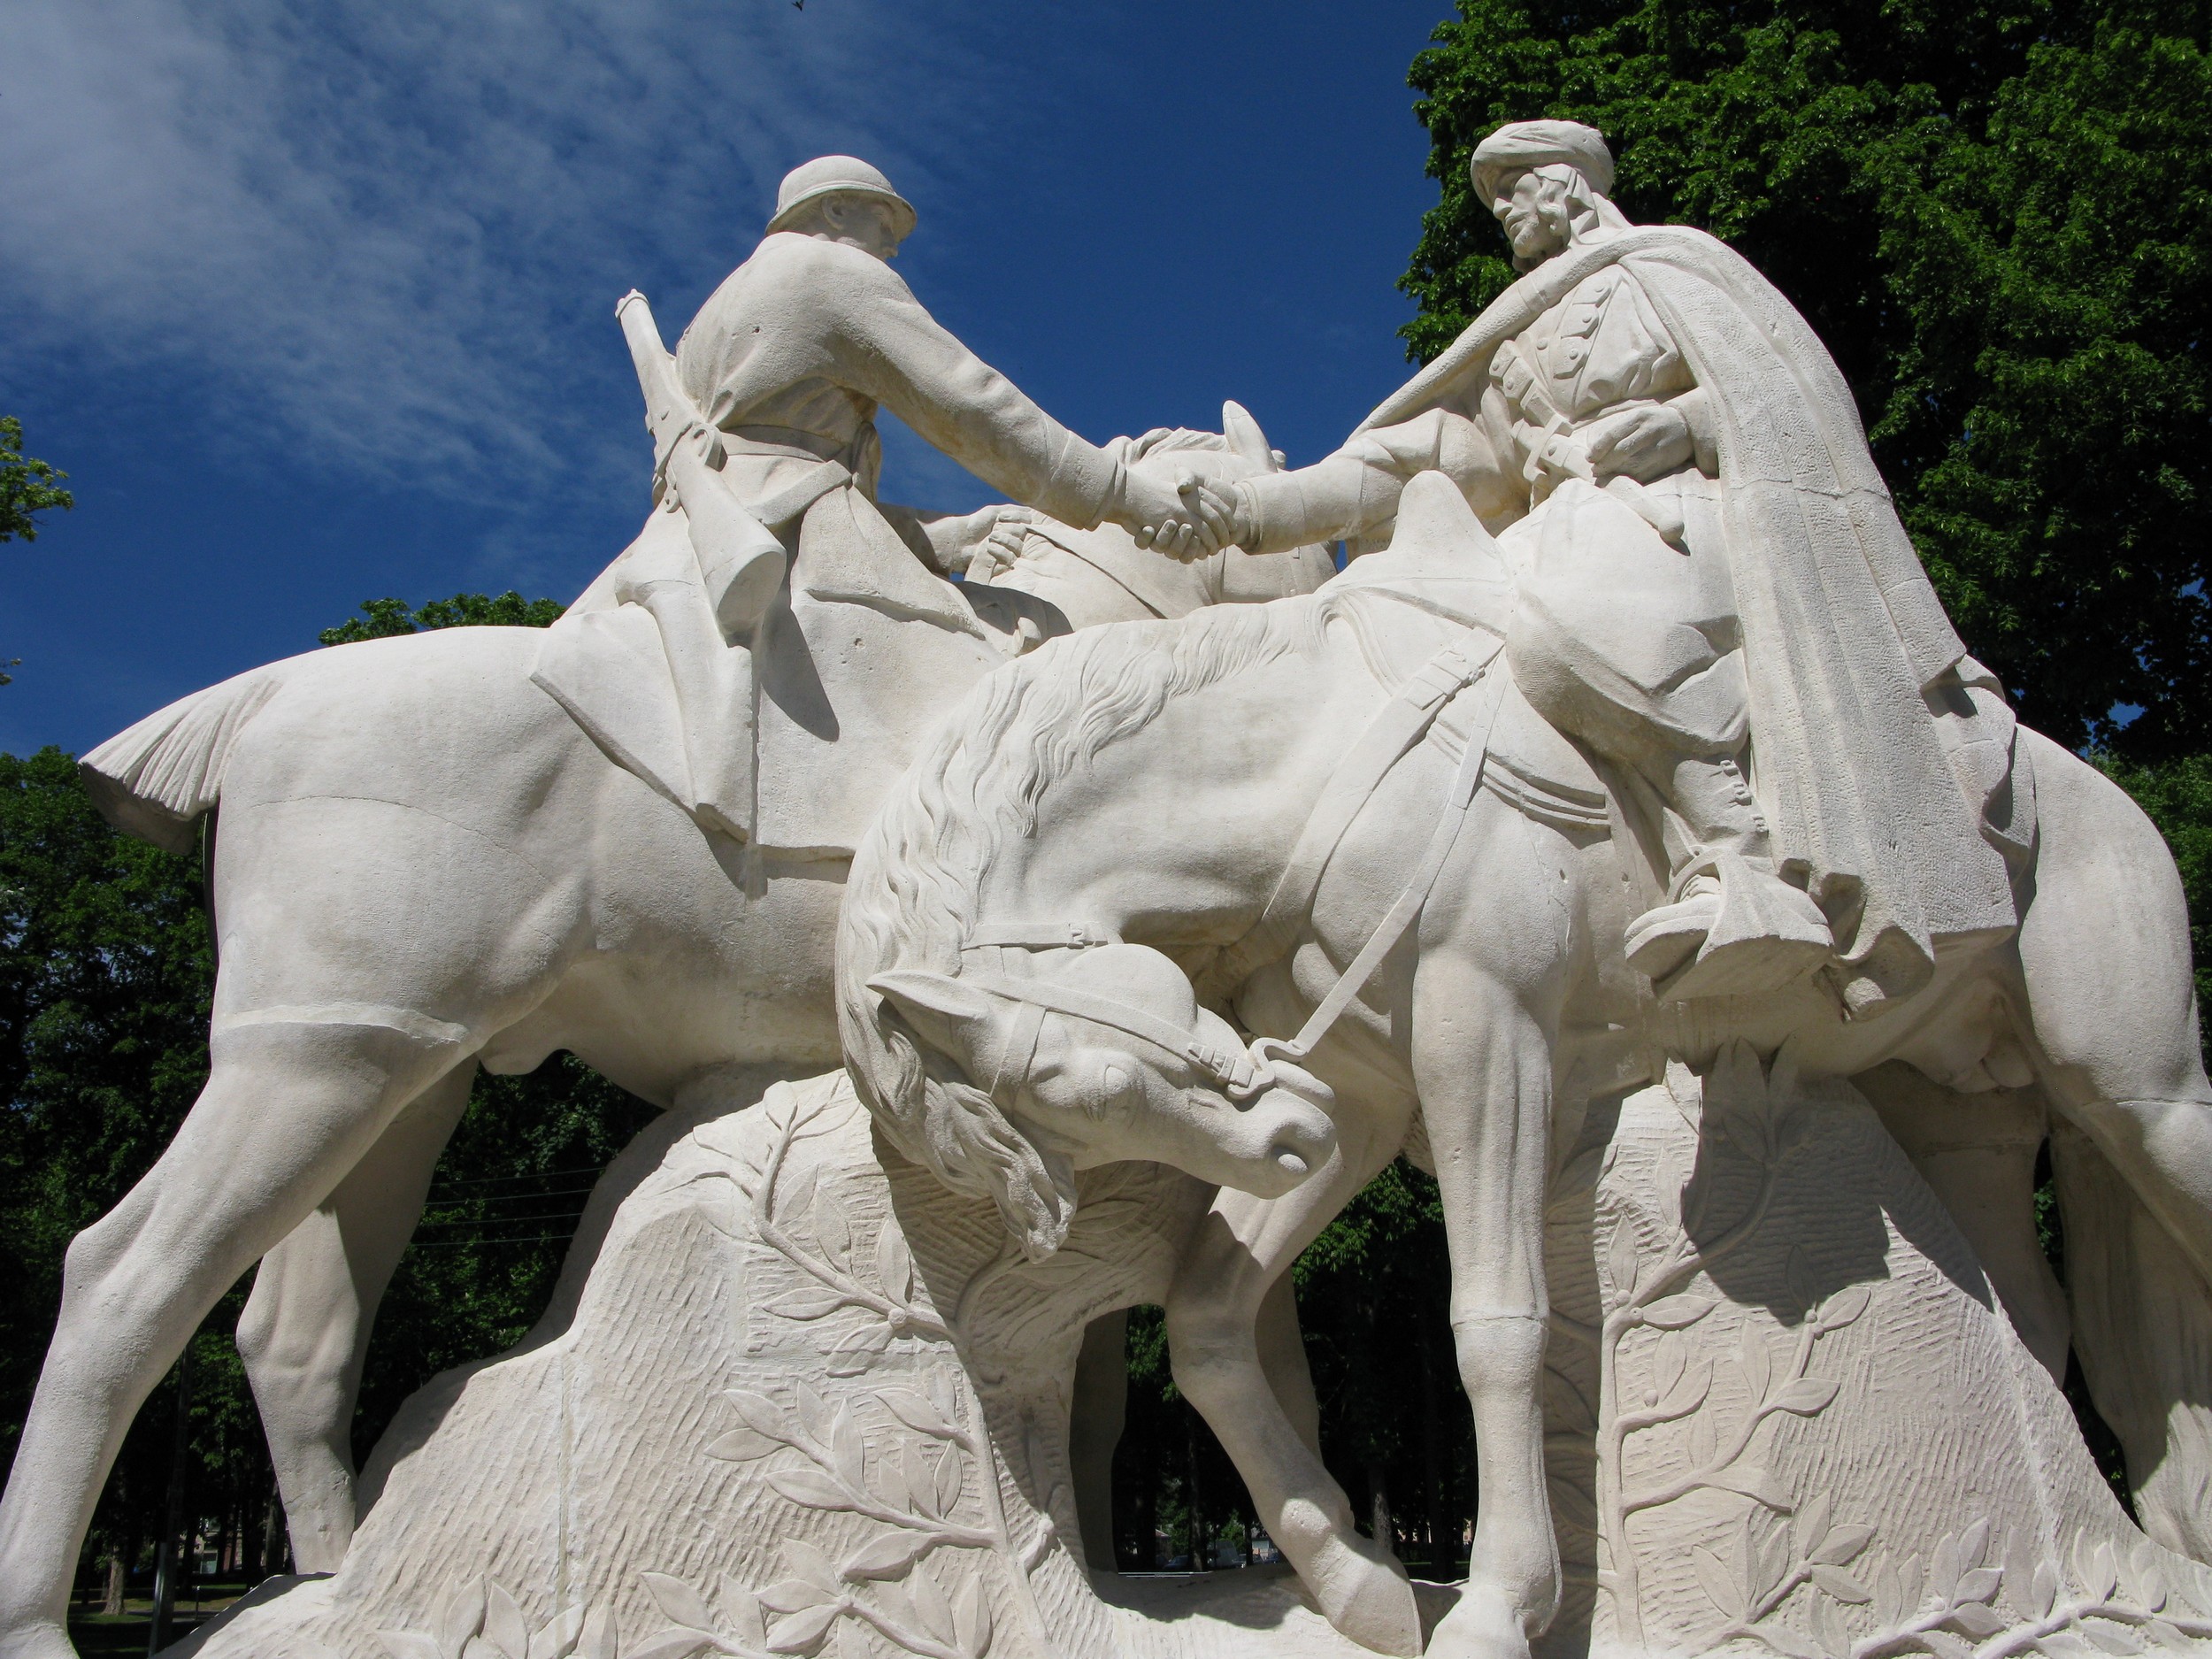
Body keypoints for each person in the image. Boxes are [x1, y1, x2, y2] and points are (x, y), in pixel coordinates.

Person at [1197, 122, 2015, 1011]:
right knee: (1403, 628)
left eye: (1514, 187)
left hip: (1689, 516)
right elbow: (1419, 457)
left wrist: (1688, 425)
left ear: (1568, 185)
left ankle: (1740, 859)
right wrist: (1247, 512)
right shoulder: (1510, 343)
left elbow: (1787, 390)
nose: (1503, 210)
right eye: (1496, 195)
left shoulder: (1672, 268)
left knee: (1560, 625)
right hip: (1566, 527)